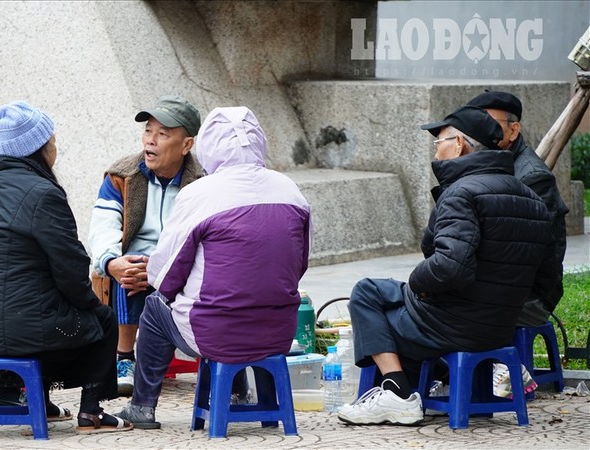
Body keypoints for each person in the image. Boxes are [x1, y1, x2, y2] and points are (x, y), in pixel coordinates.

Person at [337, 106, 558, 426]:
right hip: (500, 329)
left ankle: (398, 394)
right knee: (392, 303)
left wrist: (416, 285)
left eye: (439, 141)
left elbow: (450, 267)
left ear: (459, 145)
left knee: (368, 293)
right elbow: (546, 278)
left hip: (451, 325)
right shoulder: (531, 199)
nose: (436, 150)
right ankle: (411, 389)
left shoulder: (462, 193)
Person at [116, 106, 313, 429]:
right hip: (278, 333)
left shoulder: (200, 194)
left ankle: (142, 407)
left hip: (214, 335)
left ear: (206, 144)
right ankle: (242, 396)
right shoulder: (292, 191)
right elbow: (299, 263)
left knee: (154, 307)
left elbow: (163, 278)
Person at [0, 101, 132, 434]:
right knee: (103, 319)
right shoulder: (42, 194)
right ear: (36, 150)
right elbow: (70, 266)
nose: (55, 147)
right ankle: (91, 414)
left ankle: (42, 403)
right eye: (50, 141)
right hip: (22, 331)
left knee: (42, 309)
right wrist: (91, 305)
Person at [87, 95, 204, 396]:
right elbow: (103, 226)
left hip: (181, 264)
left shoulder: (202, 182)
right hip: (137, 266)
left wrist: (161, 267)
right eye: (148, 131)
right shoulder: (122, 175)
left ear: (186, 144)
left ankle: (206, 352)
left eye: (163, 134)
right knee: (131, 266)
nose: (150, 141)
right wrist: (110, 262)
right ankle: (125, 357)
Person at [466, 91, 569, 398]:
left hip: (530, 294)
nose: (485, 132)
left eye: (493, 124)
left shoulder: (532, 178)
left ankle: (504, 367)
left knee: (449, 309)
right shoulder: (485, 164)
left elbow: (523, 257)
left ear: (514, 130)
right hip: (497, 285)